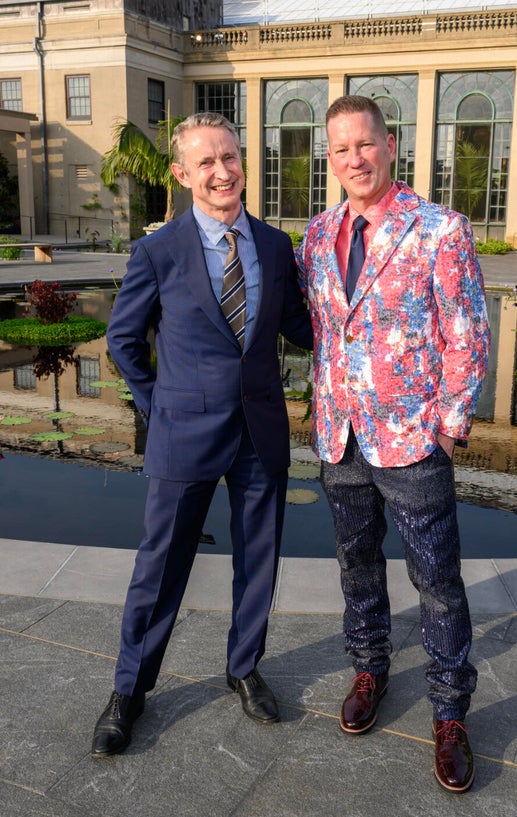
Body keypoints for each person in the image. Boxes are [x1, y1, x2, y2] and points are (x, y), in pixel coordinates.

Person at [92, 112, 313, 757]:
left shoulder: (274, 245)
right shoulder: (158, 251)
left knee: (259, 560)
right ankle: (129, 690)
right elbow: (124, 340)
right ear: (181, 174)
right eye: (207, 162)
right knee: (158, 568)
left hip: (261, 430)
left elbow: (301, 326)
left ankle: (244, 668)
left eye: (231, 157)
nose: (223, 171)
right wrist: (157, 406)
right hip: (181, 434)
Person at [297, 95, 490, 793]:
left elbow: (468, 332)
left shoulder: (439, 229)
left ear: (390, 145)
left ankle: (449, 711)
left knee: (436, 580)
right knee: (356, 563)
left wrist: (449, 424)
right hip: (339, 435)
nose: (354, 158)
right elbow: (318, 328)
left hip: (413, 438)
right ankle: (370, 667)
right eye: (341, 149)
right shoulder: (316, 236)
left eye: (365, 144)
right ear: (331, 158)